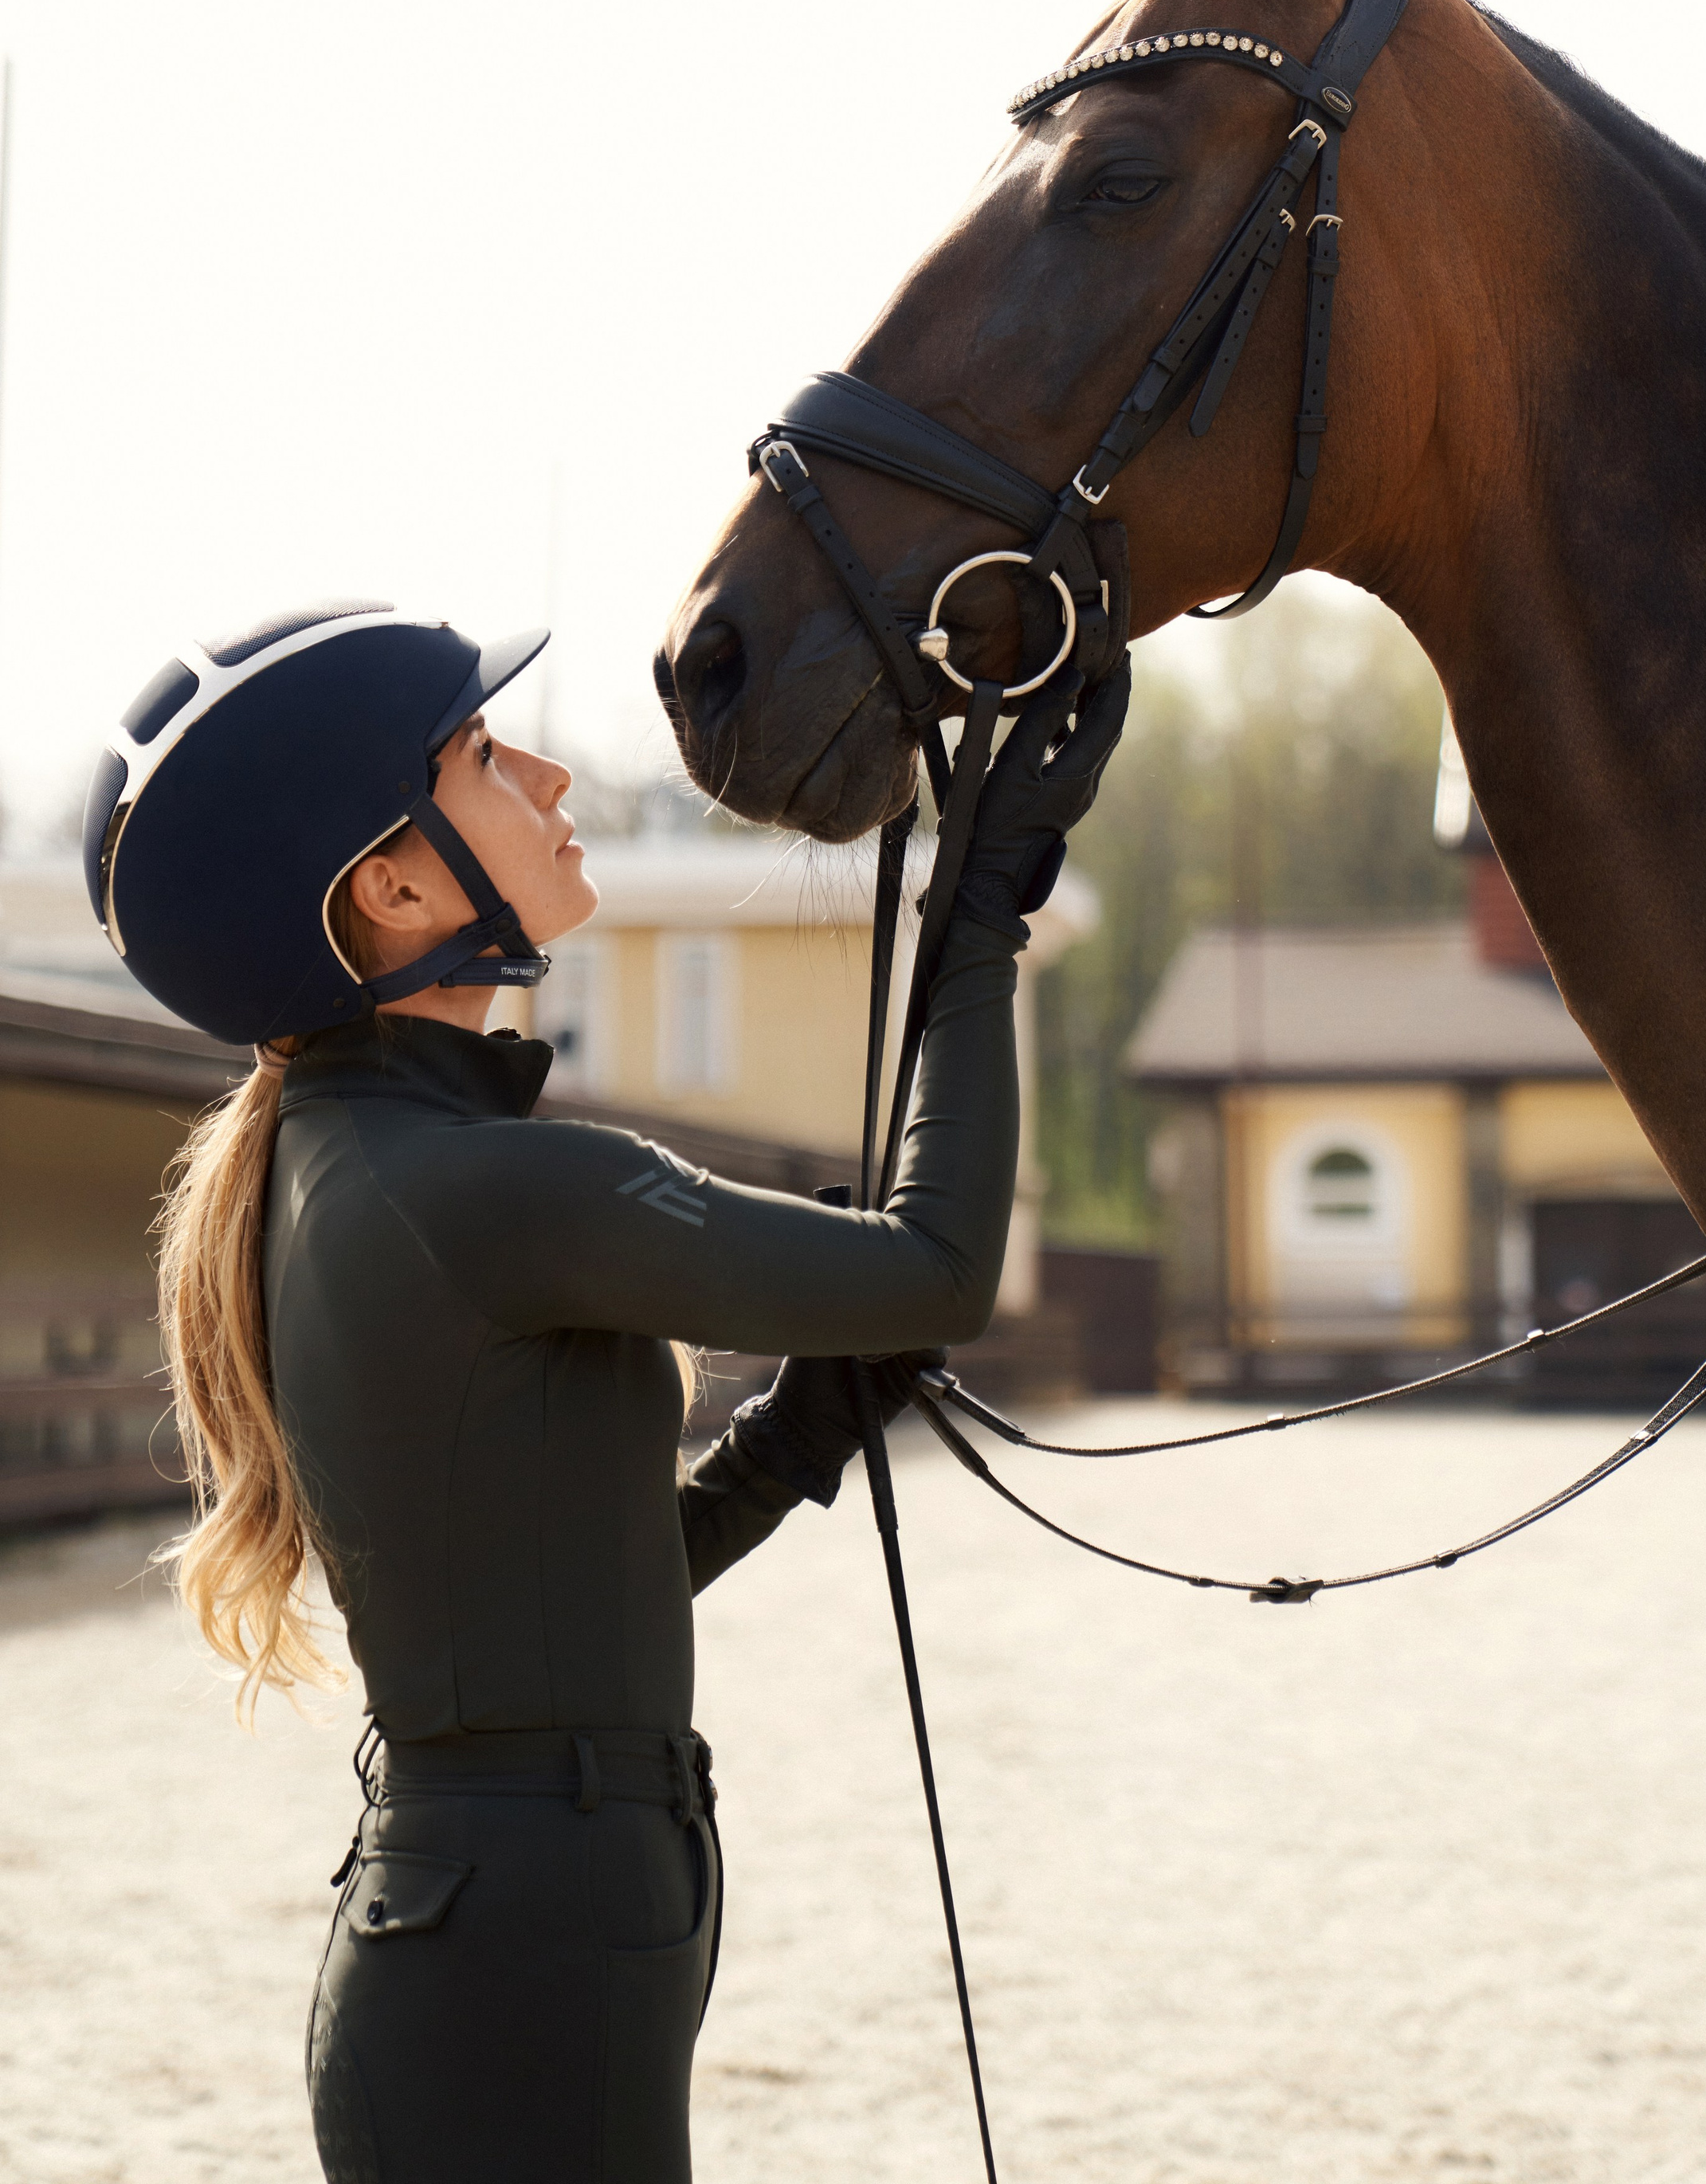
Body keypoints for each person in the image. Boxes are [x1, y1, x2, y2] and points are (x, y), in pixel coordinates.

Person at [83, 598, 1130, 2184]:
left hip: (521, 1901)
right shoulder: (475, 1185)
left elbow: (581, 1592)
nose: (557, 779)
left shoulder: (368, 1161)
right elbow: (933, 1266)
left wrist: (793, 1437)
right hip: (528, 1923)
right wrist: (975, 921)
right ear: (394, 880)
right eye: (485, 755)